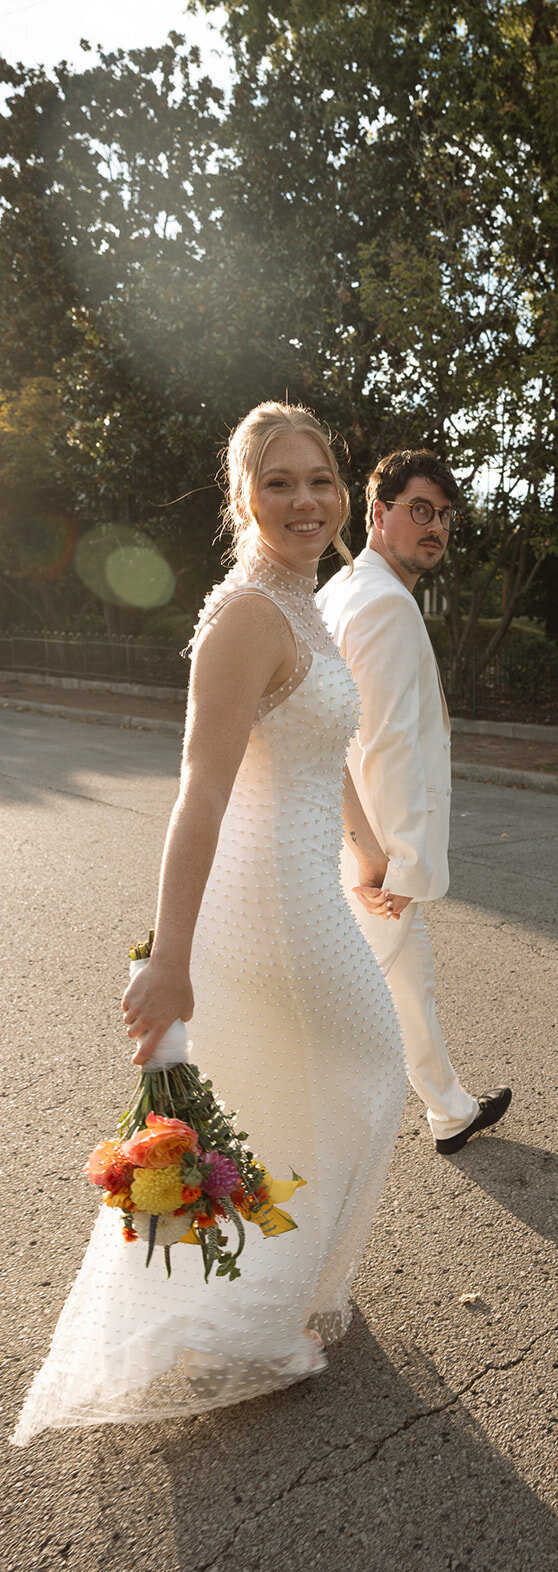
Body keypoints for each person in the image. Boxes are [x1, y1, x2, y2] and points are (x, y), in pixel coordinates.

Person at [13, 402, 405, 1446]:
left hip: (310, 885)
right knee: (373, 1062)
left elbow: (322, 740)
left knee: (295, 1084)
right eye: (278, 482)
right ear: (243, 499)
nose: (305, 500)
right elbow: (198, 789)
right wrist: (170, 958)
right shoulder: (246, 615)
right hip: (267, 899)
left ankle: (270, 1295)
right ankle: (258, 1307)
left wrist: (365, 845)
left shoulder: (305, 601)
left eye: (319, 478)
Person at [317, 449, 511, 1155]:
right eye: (418, 510)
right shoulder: (385, 606)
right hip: (366, 849)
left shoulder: (340, 589)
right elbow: (384, 747)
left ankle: (448, 1110)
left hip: (337, 833)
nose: (435, 527)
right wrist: (390, 863)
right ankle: (320, 1146)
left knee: (405, 982)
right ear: (377, 514)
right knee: (352, 1002)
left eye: (444, 515)